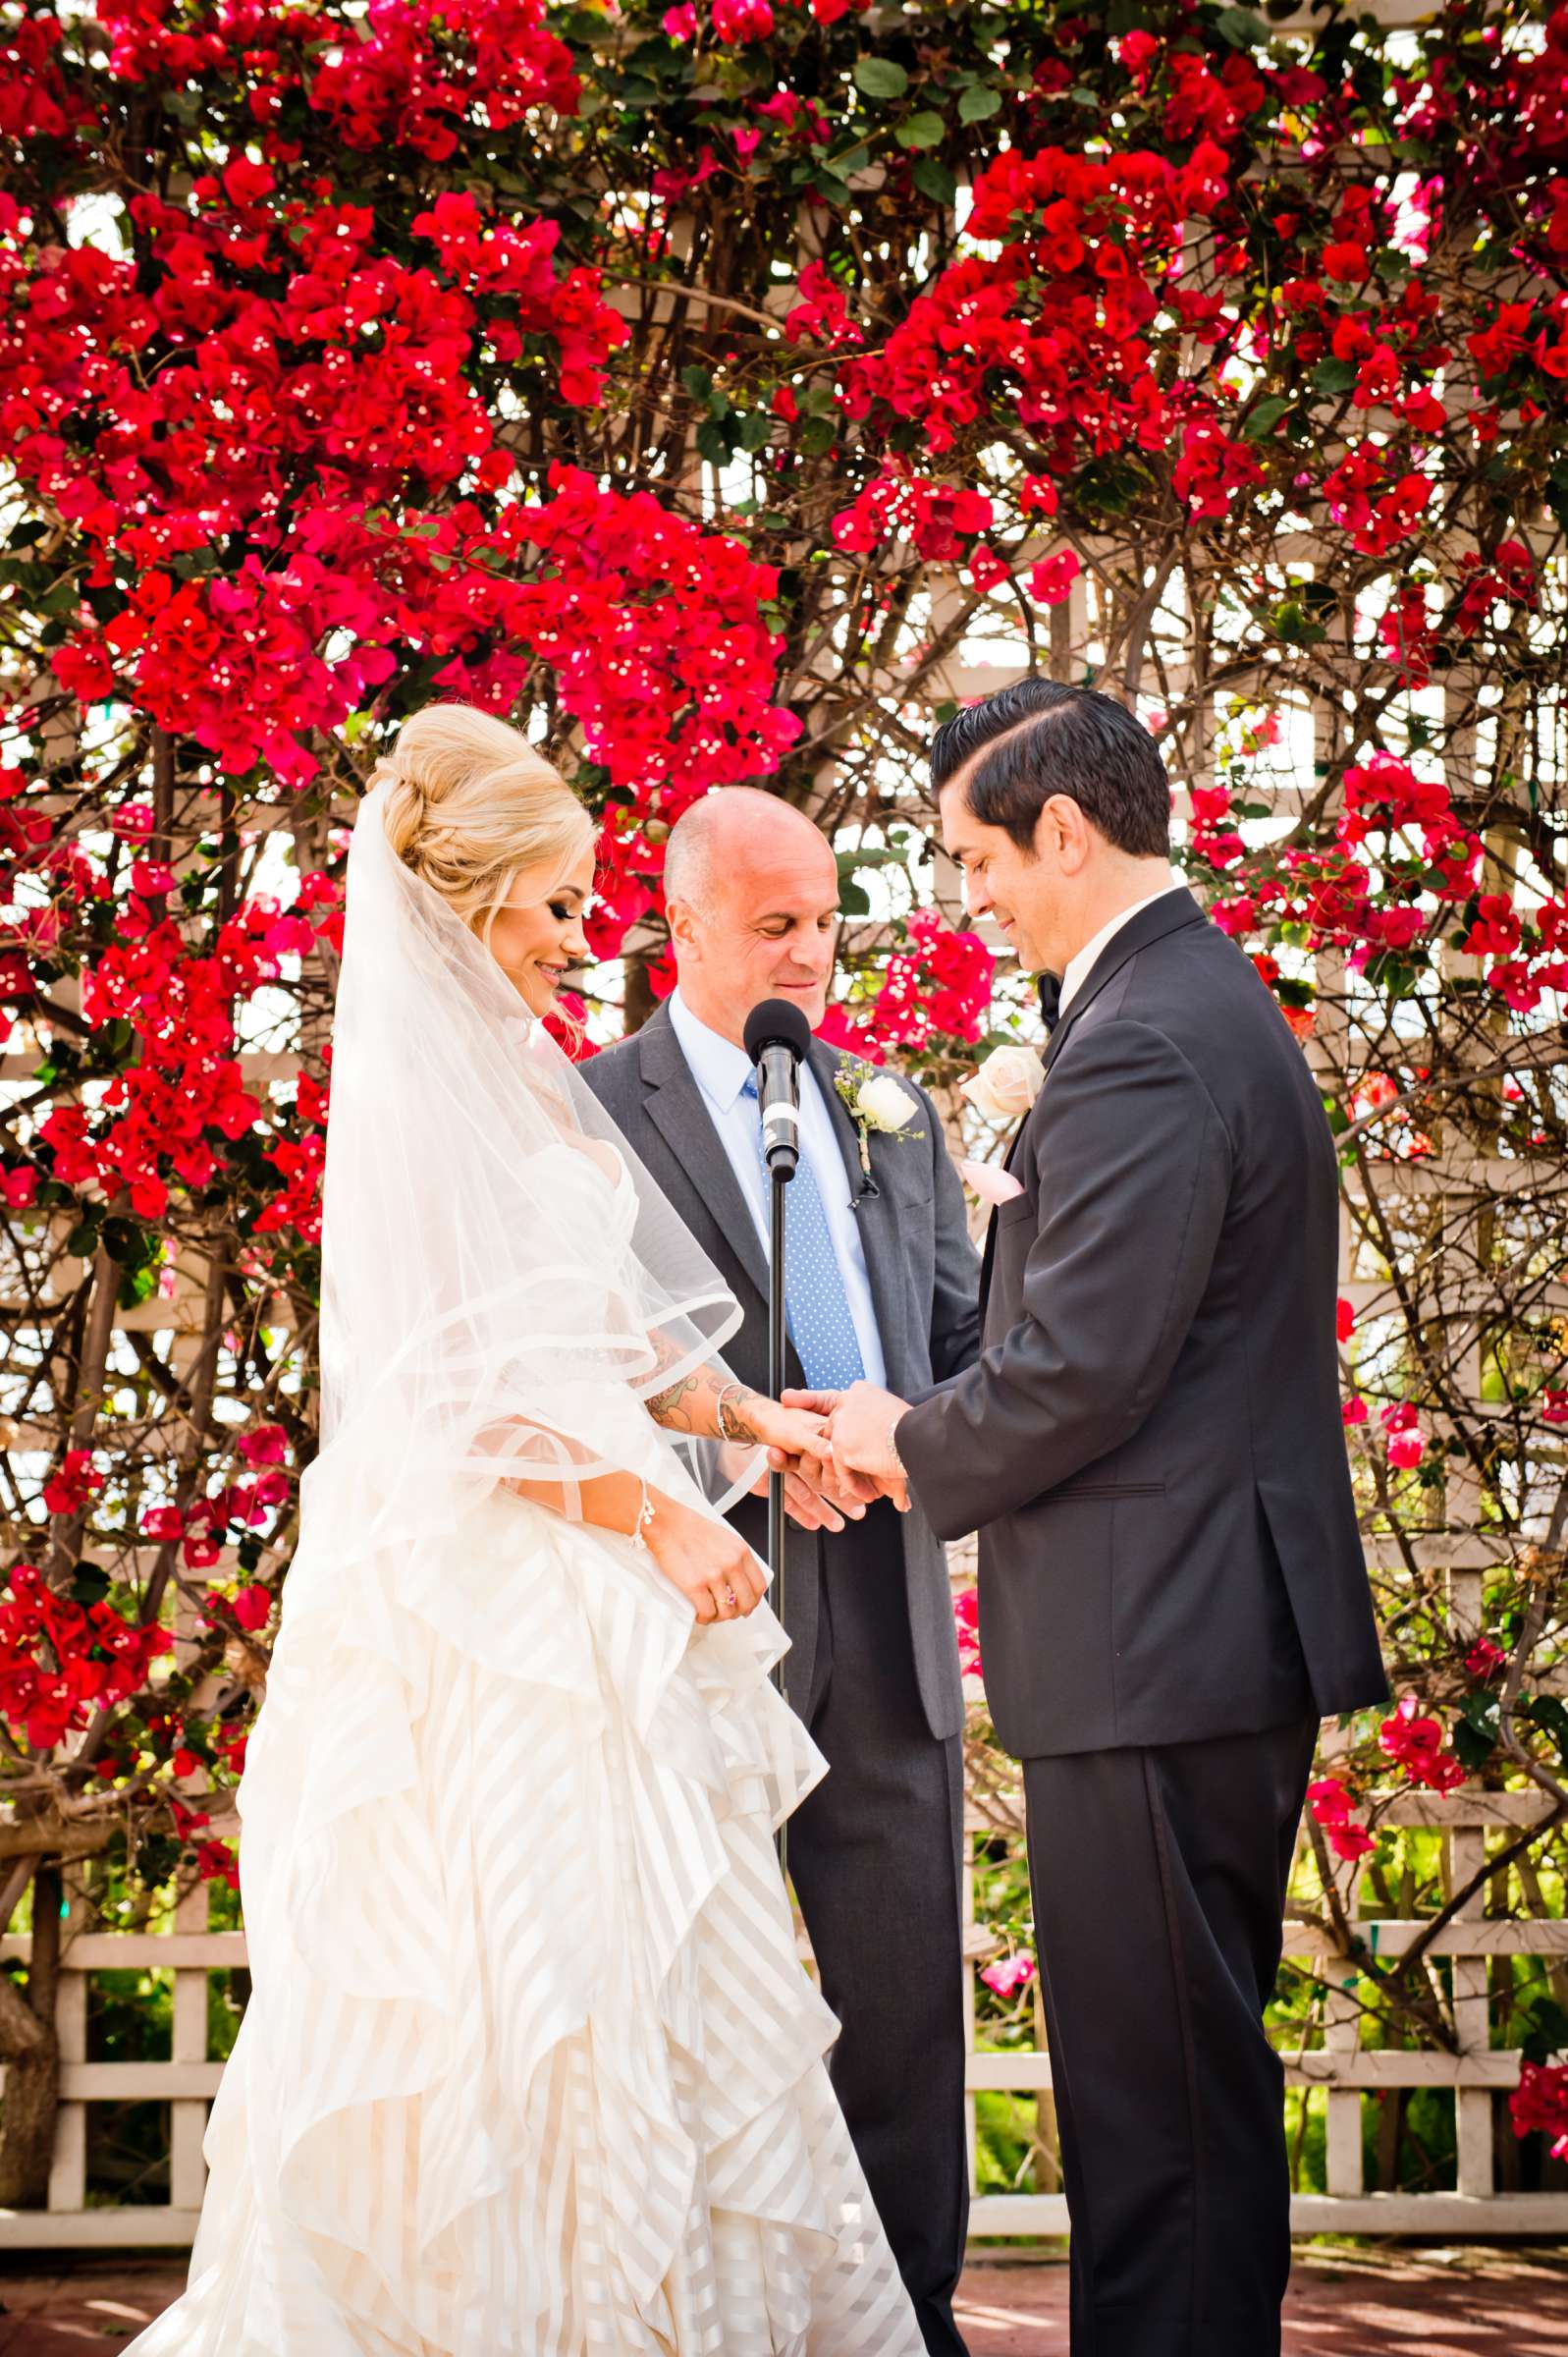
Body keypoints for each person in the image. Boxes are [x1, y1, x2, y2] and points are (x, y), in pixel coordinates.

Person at [126, 706, 927, 2357]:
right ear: (465, 907)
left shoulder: (537, 1100)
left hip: (592, 1602)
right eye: (557, 908)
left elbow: (621, 1342)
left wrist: (753, 1422)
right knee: (512, 2007)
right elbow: (466, 1407)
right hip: (491, 1622)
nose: (585, 940)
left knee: (649, 1995)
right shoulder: (418, 1114)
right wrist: (657, 1516)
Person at [817, 679, 1387, 2357]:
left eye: (972, 858)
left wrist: (900, 1440)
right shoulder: (1183, 1000)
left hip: (1160, 1639)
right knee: (1175, 2090)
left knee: (1159, 2115)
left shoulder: (1142, 1035)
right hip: (1193, 1628)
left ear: (1062, 830)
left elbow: (1078, 1373)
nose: (966, 896)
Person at [584, 787, 979, 2357]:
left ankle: (915, 2324)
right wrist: (751, 1457)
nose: (810, 951)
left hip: (884, 1614)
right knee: (688, 2012)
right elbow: (572, 1376)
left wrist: (901, 1444)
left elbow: (953, 1348)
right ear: (681, 924)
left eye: (824, 918)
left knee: (900, 2014)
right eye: (773, 924)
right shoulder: (589, 1113)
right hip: (692, 1610)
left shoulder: (891, 1106)